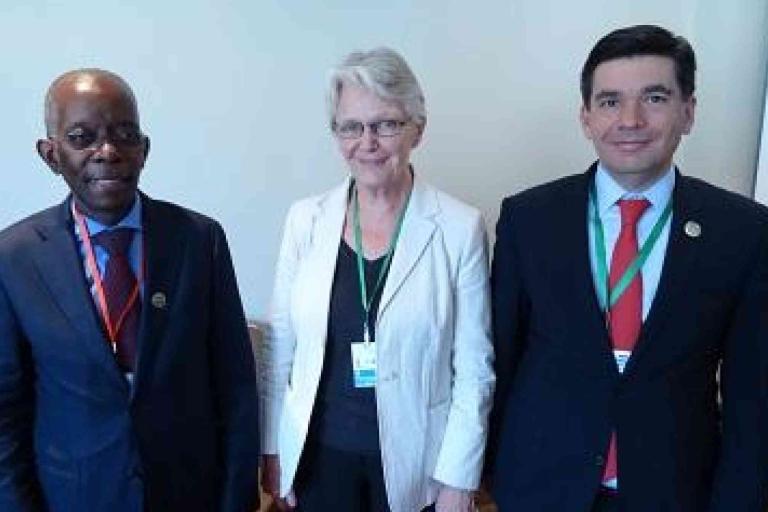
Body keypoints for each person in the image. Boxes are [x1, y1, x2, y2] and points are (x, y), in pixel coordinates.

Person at [488, 25, 768, 512]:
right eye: (610, 101)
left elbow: (753, 396)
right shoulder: (528, 220)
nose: (631, 120)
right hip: (538, 488)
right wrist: (489, 478)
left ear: (688, 112)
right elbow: (499, 362)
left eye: (654, 98)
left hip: (674, 493)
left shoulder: (742, 231)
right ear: (587, 117)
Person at [0, 69, 260, 512]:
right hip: (74, 496)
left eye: (125, 135)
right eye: (82, 138)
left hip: (188, 494)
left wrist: (236, 500)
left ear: (144, 149)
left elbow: (235, 388)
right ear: (51, 155)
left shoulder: (199, 241)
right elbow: (6, 413)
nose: (108, 152)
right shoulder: (15, 258)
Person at [258, 48, 495, 512]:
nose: (367, 141)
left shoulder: (459, 227)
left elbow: (474, 368)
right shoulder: (306, 219)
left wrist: (458, 480)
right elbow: (280, 345)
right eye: (351, 126)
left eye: (386, 124)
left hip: (418, 465)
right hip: (317, 458)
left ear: (417, 129)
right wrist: (272, 447)